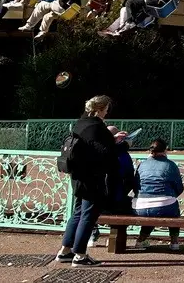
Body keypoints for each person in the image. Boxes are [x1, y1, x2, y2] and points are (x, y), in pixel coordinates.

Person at [57, 95, 120, 267]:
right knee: (88, 215)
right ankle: (80, 254)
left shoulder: (81, 123)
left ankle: (65, 250)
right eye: (106, 108)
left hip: (78, 175)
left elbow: (89, 146)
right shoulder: (97, 126)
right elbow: (104, 152)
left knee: (78, 212)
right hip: (92, 176)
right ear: (100, 109)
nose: (107, 112)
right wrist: (120, 144)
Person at [132, 138, 184, 251]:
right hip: (165, 205)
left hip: (140, 206)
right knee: (173, 211)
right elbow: (179, 188)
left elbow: (136, 186)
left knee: (151, 212)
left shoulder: (142, 165)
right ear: (165, 150)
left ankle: (141, 240)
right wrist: (170, 195)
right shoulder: (170, 165)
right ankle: (174, 241)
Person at [90, 125, 136, 248]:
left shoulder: (97, 152)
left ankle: (92, 235)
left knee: (87, 203)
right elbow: (130, 179)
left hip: (97, 200)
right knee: (124, 205)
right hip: (116, 200)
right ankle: (113, 238)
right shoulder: (123, 155)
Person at [20, 0, 86, 39]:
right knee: (48, 16)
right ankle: (42, 32)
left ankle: (29, 25)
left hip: (61, 6)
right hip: (68, 13)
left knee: (41, 6)